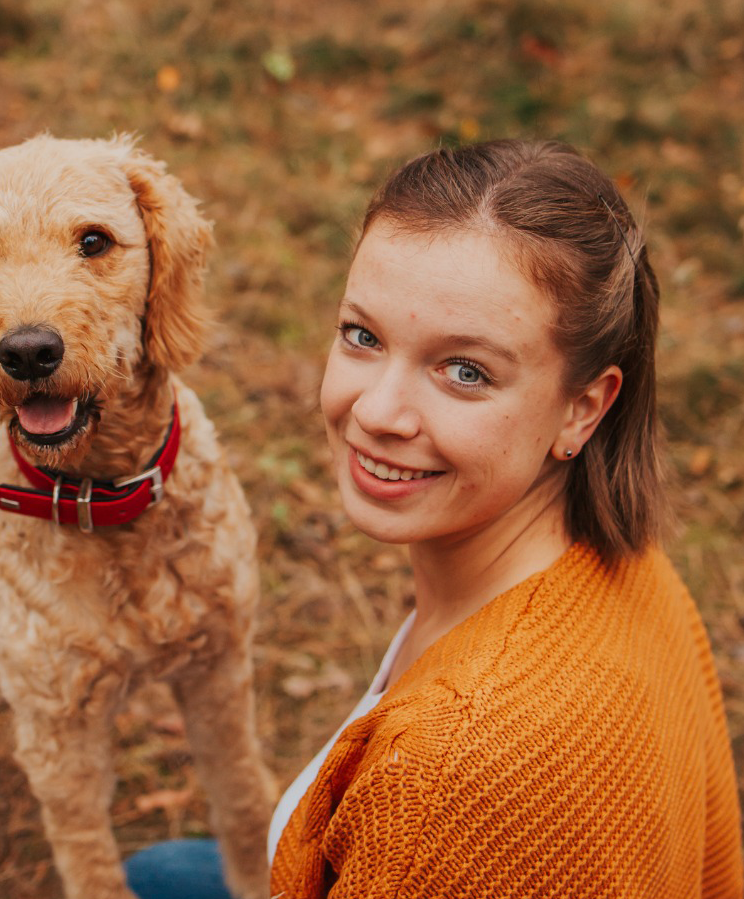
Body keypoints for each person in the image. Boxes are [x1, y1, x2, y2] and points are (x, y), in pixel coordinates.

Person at [126, 139, 743, 898]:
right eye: (363, 335)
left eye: (466, 370)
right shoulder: (626, 558)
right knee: (155, 874)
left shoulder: (445, 779)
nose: (377, 412)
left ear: (583, 407)